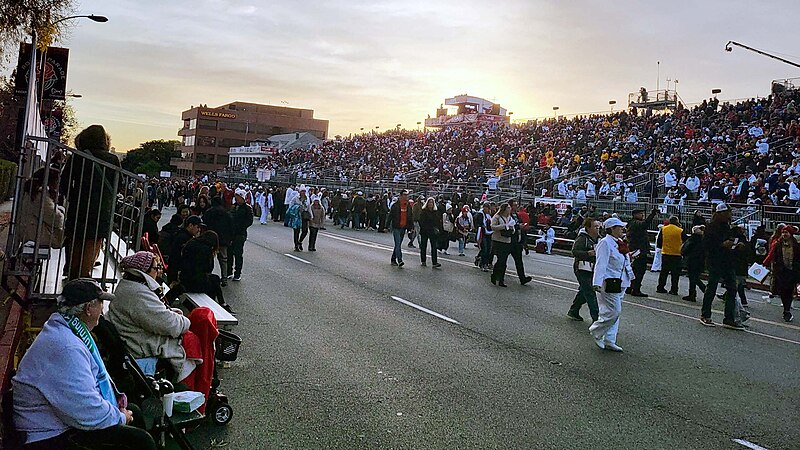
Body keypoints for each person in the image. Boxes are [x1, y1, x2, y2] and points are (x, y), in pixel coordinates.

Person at [12, 278, 156, 450]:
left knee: (134, 411)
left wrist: (119, 413)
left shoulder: (65, 330)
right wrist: (120, 417)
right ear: (88, 308)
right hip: (46, 436)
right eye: (101, 303)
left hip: (60, 421)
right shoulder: (67, 347)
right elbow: (86, 410)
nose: (102, 310)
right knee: (140, 440)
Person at [106, 251, 196, 381]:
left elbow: (156, 316)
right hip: (140, 348)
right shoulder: (138, 294)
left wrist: (173, 313)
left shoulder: (129, 286)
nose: (158, 272)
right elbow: (171, 325)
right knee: (193, 342)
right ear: (144, 271)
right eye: (156, 268)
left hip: (133, 341)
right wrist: (186, 321)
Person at [60, 125, 121, 279]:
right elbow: (119, 184)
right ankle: (84, 277)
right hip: (102, 209)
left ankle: (72, 277)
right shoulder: (112, 159)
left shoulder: (77, 156)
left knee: (76, 241)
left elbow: (64, 182)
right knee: (93, 242)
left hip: (79, 207)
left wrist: (74, 197)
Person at [589, 217, 633, 352]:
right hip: (609, 282)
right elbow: (601, 263)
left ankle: (609, 339)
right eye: (619, 227)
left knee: (612, 312)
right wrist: (597, 282)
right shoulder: (605, 243)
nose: (622, 229)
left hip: (621, 282)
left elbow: (622, 262)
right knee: (614, 311)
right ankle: (596, 331)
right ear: (611, 229)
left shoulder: (619, 242)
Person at [699, 203, 744, 329]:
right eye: (728, 212)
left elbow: (731, 240)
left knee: (732, 289)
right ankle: (705, 314)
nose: (730, 214)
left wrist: (736, 244)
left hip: (727, 260)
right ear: (721, 214)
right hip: (715, 260)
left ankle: (729, 318)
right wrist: (722, 244)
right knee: (712, 287)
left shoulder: (727, 227)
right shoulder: (711, 227)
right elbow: (707, 245)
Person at [179, 230, 234, 314]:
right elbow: (209, 268)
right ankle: (220, 304)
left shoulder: (191, 243)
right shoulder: (206, 249)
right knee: (215, 280)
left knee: (213, 280)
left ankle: (220, 304)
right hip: (194, 283)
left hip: (184, 278)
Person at [17, 167, 65, 248]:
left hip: (27, 229)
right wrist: (63, 211)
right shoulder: (39, 195)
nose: (58, 184)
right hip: (34, 234)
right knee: (68, 236)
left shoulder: (31, 190)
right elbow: (55, 219)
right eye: (57, 181)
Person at [763, 225, 799, 322]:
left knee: (789, 290)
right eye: (783, 232)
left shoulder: (796, 244)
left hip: (792, 271)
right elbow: (771, 254)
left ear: (790, 234)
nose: (784, 234)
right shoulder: (777, 244)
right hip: (781, 271)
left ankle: (787, 308)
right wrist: (765, 263)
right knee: (783, 291)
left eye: (786, 232)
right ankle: (786, 310)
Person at [568, 217, 600, 322]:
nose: (598, 229)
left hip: (593, 268)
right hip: (582, 268)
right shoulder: (582, 238)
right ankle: (596, 318)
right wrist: (587, 253)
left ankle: (574, 310)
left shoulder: (599, 238)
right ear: (588, 228)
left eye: (598, 226)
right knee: (590, 292)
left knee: (584, 290)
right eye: (595, 227)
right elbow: (574, 251)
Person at [626, 207, 658, 297]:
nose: (642, 215)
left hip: (636, 249)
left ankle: (630, 287)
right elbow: (644, 224)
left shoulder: (632, 223)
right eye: (640, 214)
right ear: (635, 215)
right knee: (639, 271)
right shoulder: (635, 223)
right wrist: (652, 215)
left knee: (634, 270)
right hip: (639, 250)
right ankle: (636, 289)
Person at [203, 196, 233, 285]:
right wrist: (230, 238)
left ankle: (208, 276)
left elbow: (205, 224)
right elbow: (231, 226)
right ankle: (224, 278)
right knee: (223, 259)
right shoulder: (226, 213)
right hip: (223, 239)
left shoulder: (209, 212)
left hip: (210, 239)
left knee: (209, 258)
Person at [229, 189, 253, 281]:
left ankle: (237, 273)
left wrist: (241, 226)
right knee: (230, 252)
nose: (237, 199)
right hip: (231, 233)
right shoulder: (233, 207)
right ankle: (229, 271)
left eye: (239, 197)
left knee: (238, 254)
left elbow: (249, 221)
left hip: (240, 234)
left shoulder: (247, 208)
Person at [490, 203, 516, 287]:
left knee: (504, 262)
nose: (510, 209)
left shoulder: (510, 218)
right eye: (508, 208)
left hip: (507, 241)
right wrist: (504, 226)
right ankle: (495, 275)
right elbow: (493, 227)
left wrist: (512, 229)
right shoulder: (497, 217)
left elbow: (513, 228)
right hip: (498, 240)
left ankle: (501, 279)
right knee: (500, 260)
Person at [656, 216, 684, 295]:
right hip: (677, 254)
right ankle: (674, 289)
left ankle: (660, 287)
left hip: (666, 253)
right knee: (675, 274)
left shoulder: (664, 229)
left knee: (664, 272)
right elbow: (685, 241)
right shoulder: (680, 230)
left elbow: (659, 241)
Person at [508, 200, 533, 285]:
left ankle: (522, 278)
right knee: (502, 260)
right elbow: (508, 226)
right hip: (509, 241)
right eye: (514, 205)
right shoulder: (507, 215)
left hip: (517, 241)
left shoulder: (517, 215)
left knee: (519, 261)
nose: (516, 206)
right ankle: (497, 274)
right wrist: (518, 226)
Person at [388, 190, 413, 267]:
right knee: (398, 243)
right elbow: (390, 216)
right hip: (396, 227)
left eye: (407, 195)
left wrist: (410, 227)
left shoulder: (408, 206)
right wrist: (386, 226)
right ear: (401, 196)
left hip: (403, 227)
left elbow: (410, 217)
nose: (406, 196)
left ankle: (393, 258)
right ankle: (400, 260)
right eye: (405, 195)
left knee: (398, 244)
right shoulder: (395, 205)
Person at [681, 225, 706, 302]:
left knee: (693, 278)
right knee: (695, 277)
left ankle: (697, 292)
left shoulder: (692, 239)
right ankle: (693, 293)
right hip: (700, 261)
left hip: (692, 260)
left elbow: (685, 249)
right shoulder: (704, 240)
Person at [418, 197, 441, 268]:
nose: (430, 204)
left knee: (434, 247)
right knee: (423, 246)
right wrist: (426, 227)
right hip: (425, 231)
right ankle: (423, 261)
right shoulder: (424, 211)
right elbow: (421, 221)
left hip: (432, 232)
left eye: (432, 202)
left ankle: (434, 262)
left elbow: (437, 221)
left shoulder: (435, 212)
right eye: (429, 202)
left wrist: (437, 228)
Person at [476, 202, 494, 272]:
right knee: (485, 249)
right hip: (483, 233)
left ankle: (482, 261)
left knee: (488, 249)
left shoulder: (489, 216)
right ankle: (483, 263)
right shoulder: (480, 214)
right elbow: (479, 223)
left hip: (488, 233)